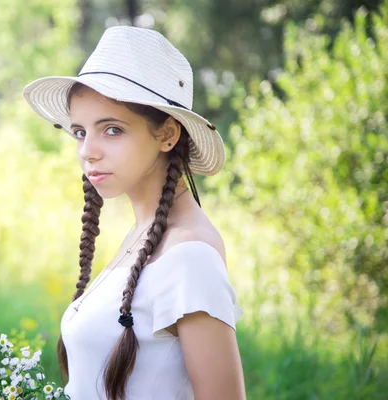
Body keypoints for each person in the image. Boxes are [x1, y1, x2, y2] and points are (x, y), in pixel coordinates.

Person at [22, 26, 245, 400]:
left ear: (167, 135)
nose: (88, 151)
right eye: (80, 132)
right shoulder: (143, 234)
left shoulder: (190, 257)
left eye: (111, 129)